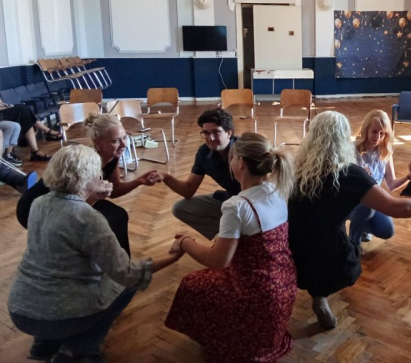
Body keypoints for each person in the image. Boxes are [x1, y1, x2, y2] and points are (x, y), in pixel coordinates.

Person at [8, 145, 182, 362]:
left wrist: (93, 197)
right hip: (56, 317)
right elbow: (128, 274)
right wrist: (173, 257)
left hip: (20, 309)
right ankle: (76, 350)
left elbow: (71, 220)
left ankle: (44, 343)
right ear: (88, 176)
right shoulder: (89, 218)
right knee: (125, 286)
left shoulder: (38, 203)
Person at [288, 111, 411, 330]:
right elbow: (399, 207)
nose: (378, 136)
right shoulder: (350, 173)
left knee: (321, 242)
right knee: (345, 260)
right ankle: (325, 289)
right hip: (329, 250)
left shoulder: (296, 166)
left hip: (292, 245)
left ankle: (315, 296)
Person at [165, 133, 297, 363]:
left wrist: (185, 242)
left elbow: (218, 262)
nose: (230, 161)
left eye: (232, 157)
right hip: (284, 282)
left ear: (241, 163)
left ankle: (223, 340)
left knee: (191, 284)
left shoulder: (236, 206)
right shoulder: (277, 190)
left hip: (257, 292)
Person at [17, 113, 160, 255]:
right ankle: (101, 263)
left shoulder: (112, 156)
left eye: (125, 137)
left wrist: (139, 181)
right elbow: (70, 205)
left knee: (118, 215)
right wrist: (97, 196)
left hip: (72, 202)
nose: (123, 144)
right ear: (98, 143)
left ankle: (119, 262)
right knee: (101, 222)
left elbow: (115, 189)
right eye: (116, 141)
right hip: (36, 208)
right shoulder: (82, 163)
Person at [159, 109, 241, 239]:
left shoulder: (244, 150)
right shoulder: (204, 153)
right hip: (230, 199)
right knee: (181, 208)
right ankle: (228, 237)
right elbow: (188, 190)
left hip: (252, 204)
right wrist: (165, 177)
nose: (210, 138)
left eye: (216, 132)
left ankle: (234, 237)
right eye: (206, 133)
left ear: (229, 133)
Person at [349, 110, 411, 246]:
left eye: (382, 133)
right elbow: (344, 181)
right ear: (366, 130)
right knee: (366, 207)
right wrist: (359, 175)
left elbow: (391, 184)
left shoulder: (385, 152)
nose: (377, 137)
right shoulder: (353, 149)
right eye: (374, 132)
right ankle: (354, 243)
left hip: (372, 200)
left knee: (387, 230)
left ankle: (362, 224)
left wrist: (410, 176)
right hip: (352, 200)